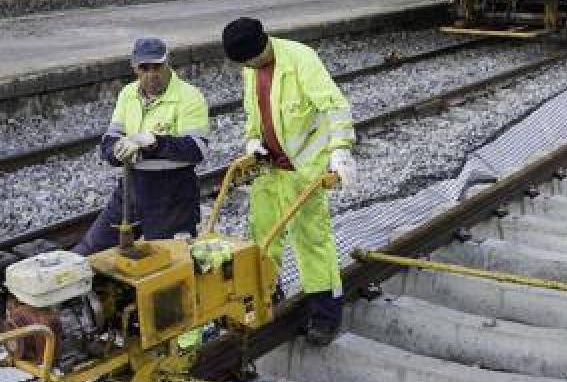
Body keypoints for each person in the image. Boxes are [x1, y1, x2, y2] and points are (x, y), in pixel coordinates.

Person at [222, 17, 357, 346]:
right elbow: (254, 115)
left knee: (312, 242)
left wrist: (340, 152)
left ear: (262, 46)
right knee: (262, 238)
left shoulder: (301, 59)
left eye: (251, 61)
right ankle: (268, 296)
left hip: (304, 172)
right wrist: (253, 141)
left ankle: (327, 313)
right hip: (270, 171)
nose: (250, 68)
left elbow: (334, 106)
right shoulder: (250, 71)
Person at [75, 36, 210, 255]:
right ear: (135, 68)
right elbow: (109, 139)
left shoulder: (189, 97)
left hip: (172, 195)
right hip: (132, 187)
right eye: (144, 68)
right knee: (91, 250)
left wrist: (154, 143)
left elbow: (196, 149)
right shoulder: (128, 94)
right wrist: (116, 150)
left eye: (157, 66)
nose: (151, 74)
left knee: (171, 263)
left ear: (168, 64)